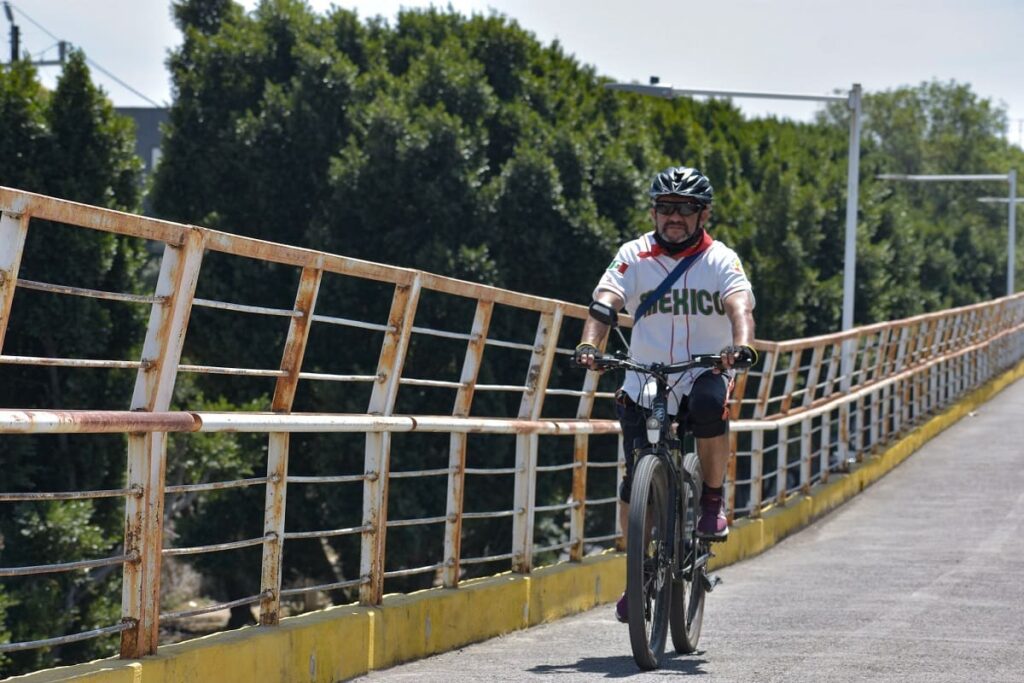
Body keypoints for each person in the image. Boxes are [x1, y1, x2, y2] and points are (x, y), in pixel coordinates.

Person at [574, 165, 756, 623]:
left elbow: (740, 306)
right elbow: (605, 302)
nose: (674, 217)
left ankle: (712, 497)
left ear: (703, 214)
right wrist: (589, 345)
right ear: (653, 211)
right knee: (634, 483)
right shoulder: (633, 255)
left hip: (702, 370)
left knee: (712, 406)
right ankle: (638, 576)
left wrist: (742, 345)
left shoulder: (721, 260)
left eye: (686, 209)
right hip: (645, 375)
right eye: (666, 208)